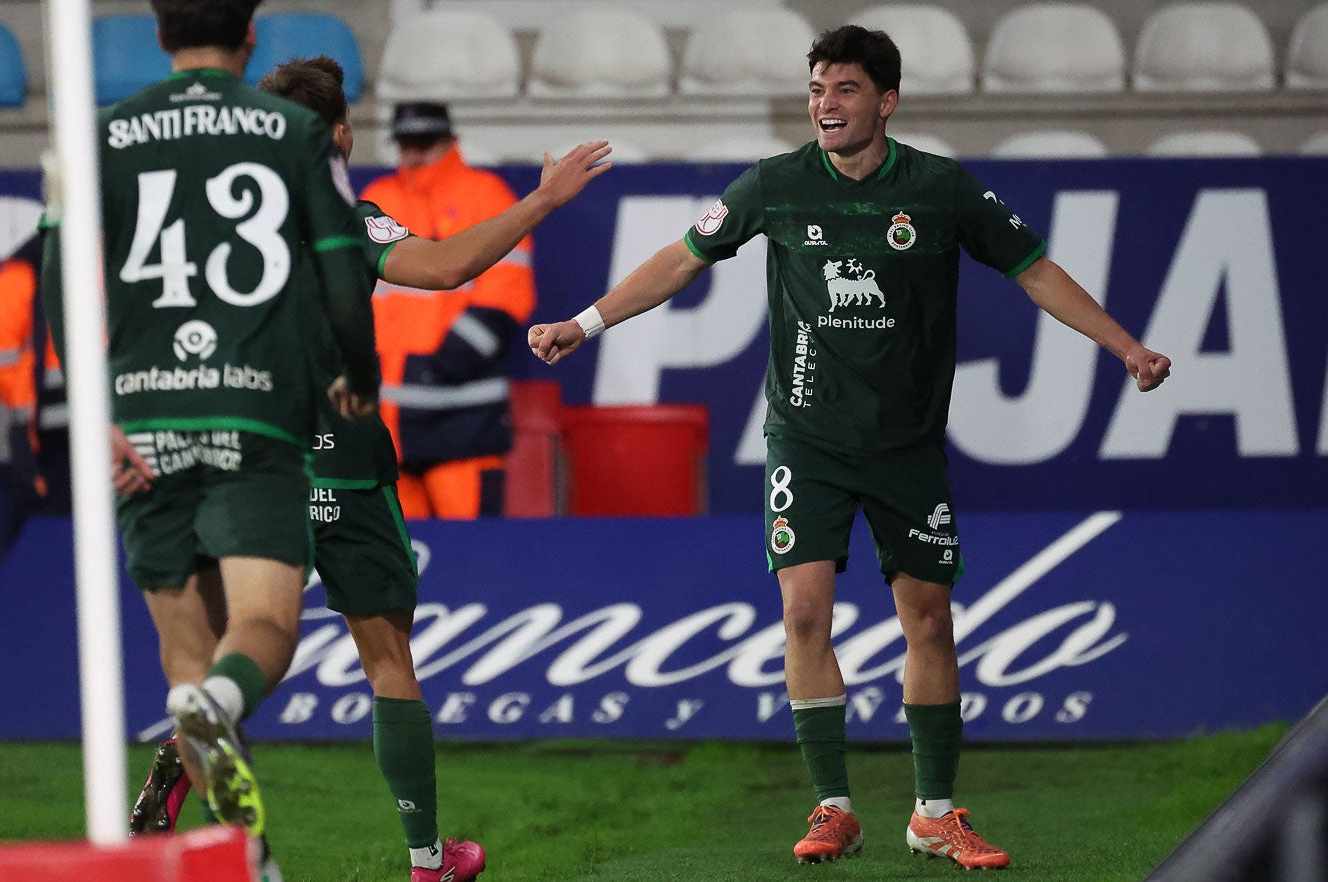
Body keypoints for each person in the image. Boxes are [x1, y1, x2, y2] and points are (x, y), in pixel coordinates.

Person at [528, 24, 1171, 871]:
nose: (824, 106)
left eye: (844, 90)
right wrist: (583, 323)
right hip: (806, 440)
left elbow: (1034, 269)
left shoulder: (939, 189)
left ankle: (933, 813)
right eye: (815, 90)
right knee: (803, 612)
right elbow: (682, 260)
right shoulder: (775, 184)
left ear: (885, 101)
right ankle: (833, 806)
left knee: (927, 619)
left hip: (906, 446)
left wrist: (1125, 347)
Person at [127, 55, 610, 882]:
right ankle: (427, 860)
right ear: (342, 134)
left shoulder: (205, 227)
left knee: (242, 644)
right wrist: (542, 200)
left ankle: (193, 766)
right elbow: (447, 268)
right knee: (387, 660)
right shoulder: (347, 218)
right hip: (342, 463)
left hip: (237, 464)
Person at [39, 0, 379, 873]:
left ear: (158, 35)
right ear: (249, 35)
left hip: (143, 419)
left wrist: (94, 412)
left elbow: (57, 277)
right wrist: (359, 373)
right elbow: (343, 271)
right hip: (252, 410)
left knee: (187, 657)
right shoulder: (292, 131)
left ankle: (247, 856)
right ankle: (220, 710)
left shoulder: (97, 136)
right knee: (262, 625)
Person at [357, 102, 537, 520]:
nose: (415, 154)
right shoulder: (378, 199)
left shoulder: (486, 195)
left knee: (473, 550)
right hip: (385, 426)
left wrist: (440, 368)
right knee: (401, 551)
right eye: (406, 144)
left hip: (463, 421)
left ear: (451, 141)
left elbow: (506, 295)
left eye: (426, 143)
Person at [0, 229, 72, 516]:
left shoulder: (10, 283)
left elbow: (5, 374)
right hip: (61, 437)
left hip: (48, 433)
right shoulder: (15, 284)